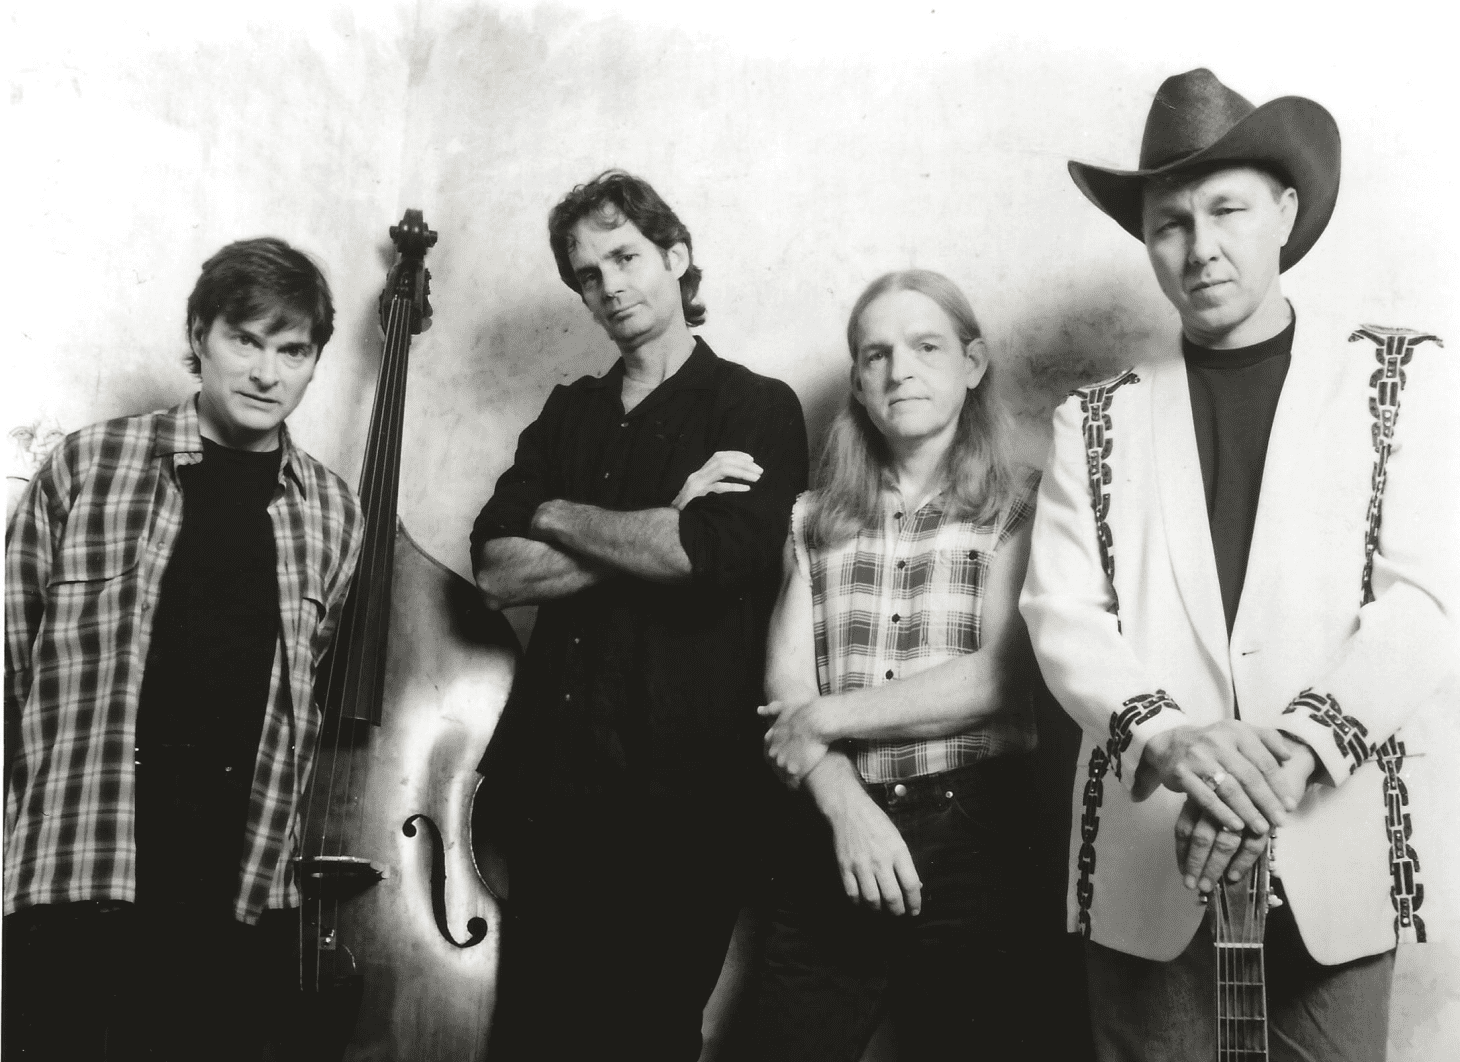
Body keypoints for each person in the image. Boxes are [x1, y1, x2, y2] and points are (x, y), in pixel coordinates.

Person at [1021, 68, 1457, 1061]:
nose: (1200, 247)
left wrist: (1288, 760)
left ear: (1285, 212)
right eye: (1170, 223)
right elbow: (1060, 615)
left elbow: (1427, 602)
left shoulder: (1396, 378)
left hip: (1333, 843)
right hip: (1150, 855)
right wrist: (1171, 743)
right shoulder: (1094, 419)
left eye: (1227, 210)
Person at [470, 169, 808, 1061]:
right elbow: (496, 569)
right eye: (588, 275)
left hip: (686, 803)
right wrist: (665, 513)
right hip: (551, 793)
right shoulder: (568, 413)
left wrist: (558, 514)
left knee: (647, 1040)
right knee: (532, 1039)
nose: (610, 286)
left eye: (625, 257)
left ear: (677, 257)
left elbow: (703, 558)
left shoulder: (755, 406)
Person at [4, 237, 363, 1059]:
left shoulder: (334, 512)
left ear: (314, 362)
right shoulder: (89, 463)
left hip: (233, 886)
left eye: (293, 350)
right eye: (245, 339)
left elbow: (305, 697)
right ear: (199, 334)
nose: (267, 373)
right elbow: (12, 661)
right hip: (82, 858)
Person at [741, 269, 1041, 1060]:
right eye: (876, 354)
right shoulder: (813, 519)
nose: (899, 370)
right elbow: (786, 692)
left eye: (925, 346)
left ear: (973, 363)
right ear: (857, 383)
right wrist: (847, 809)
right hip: (834, 824)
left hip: (976, 829)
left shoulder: (1018, 503)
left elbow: (999, 678)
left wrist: (827, 718)